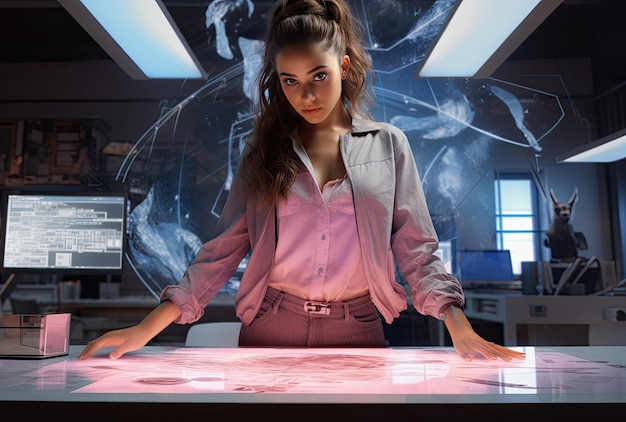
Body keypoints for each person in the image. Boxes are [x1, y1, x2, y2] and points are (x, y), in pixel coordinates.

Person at [79, 0, 525, 362]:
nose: (305, 95)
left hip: (359, 325)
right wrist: (146, 328)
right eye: (290, 81)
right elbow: (220, 253)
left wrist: (458, 326)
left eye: (319, 76)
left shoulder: (390, 145)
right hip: (272, 321)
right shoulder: (263, 150)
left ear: (345, 67)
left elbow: (416, 250)